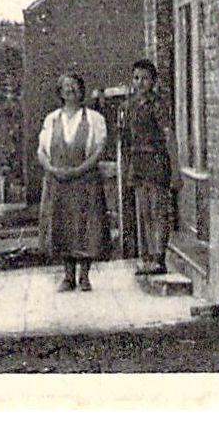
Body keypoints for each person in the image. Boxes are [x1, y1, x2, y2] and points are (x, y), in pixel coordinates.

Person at [37, 73, 110, 291]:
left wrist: (80, 169)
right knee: (62, 226)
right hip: (58, 181)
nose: (70, 90)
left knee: (87, 226)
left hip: (85, 181)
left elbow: (99, 149)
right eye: (65, 87)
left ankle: (85, 277)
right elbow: (41, 151)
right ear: (59, 92)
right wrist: (51, 169)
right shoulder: (51, 119)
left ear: (82, 90)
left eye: (74, 86)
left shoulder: (95, 119)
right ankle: (68, 277)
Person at [125, 58, 178, 276]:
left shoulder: (158, 105)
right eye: (136, 78)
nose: (140, 83)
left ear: (153, 81)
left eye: (145, 78)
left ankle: (159, 257)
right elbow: (128, 139)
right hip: (138, 162)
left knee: (158, 210)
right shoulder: (130, 106)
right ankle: (147, 256)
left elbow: (169, 136)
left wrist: (175, 168)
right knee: (144, 211)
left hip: (156, 160)